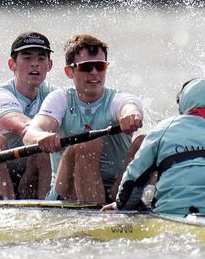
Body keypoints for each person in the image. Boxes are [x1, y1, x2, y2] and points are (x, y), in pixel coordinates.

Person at [23, 33, 145, 205]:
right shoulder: (60, 99)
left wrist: (131, 115)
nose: (94, 73)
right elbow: (31, 133)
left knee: (144, 141)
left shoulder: (118, 99)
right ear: (69, 71)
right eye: (86, 67)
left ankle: (129, 201)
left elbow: (130, 107)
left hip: (115, 189)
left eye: (100, 66)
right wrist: (41, 137)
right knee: (90, 144)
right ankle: (96, 216)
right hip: (67, 192)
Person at [107, 78, 205, 216]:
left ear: (183, 102)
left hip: (172, 213)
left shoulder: (163, 129)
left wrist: (121, 206)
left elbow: (133, 179)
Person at [0, 31, 56, 199]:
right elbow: (25, 126)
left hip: (27, 179)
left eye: (41, 58)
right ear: (12, 64)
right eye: (27, 58)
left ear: (49, 65)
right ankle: (2, 211)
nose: (35, 64)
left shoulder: (56, 96)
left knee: (44, 149)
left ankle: (47, 208)